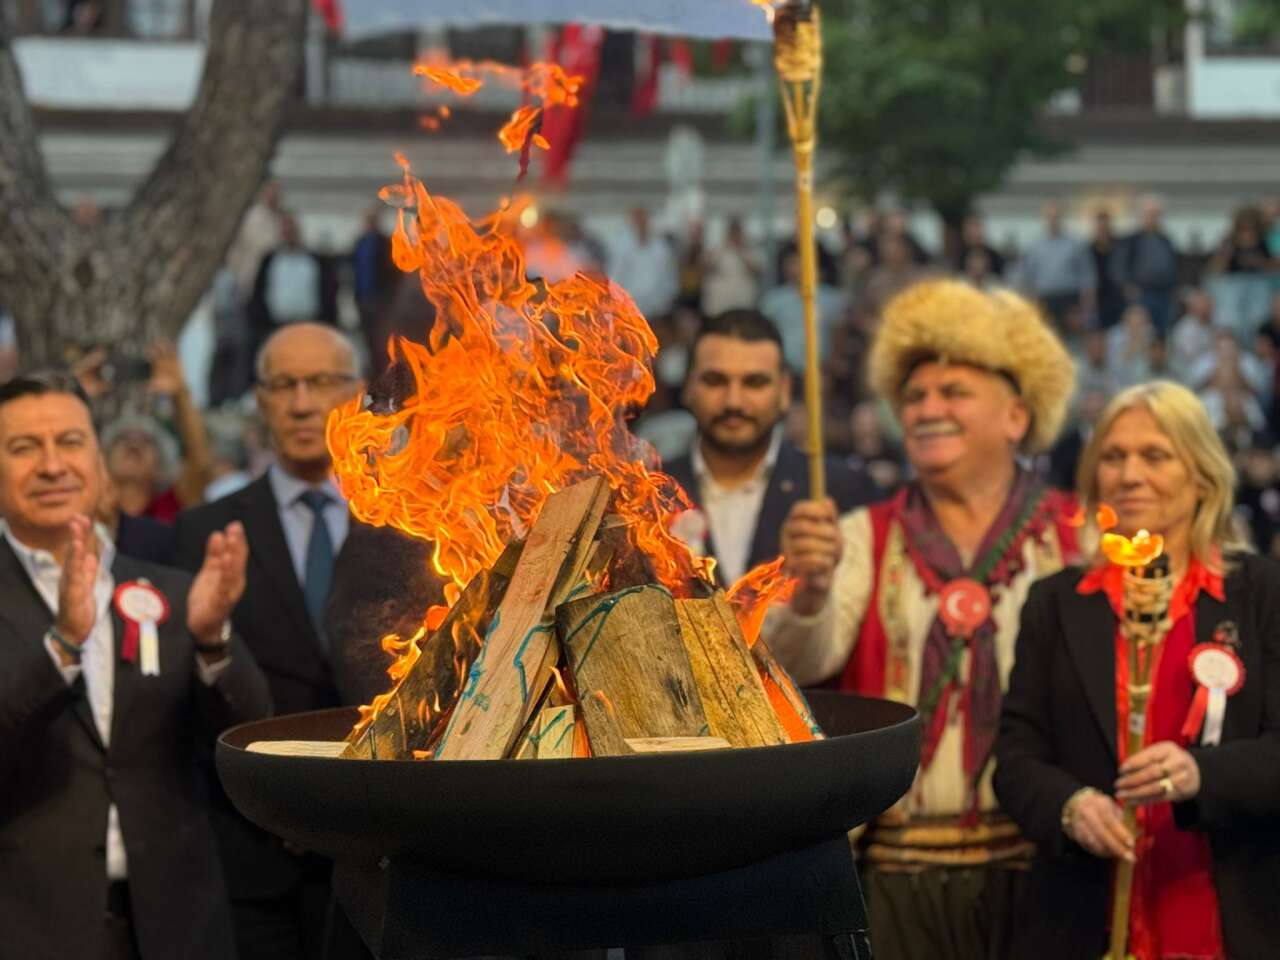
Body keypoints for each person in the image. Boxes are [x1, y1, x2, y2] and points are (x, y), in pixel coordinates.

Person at [767, 279, 1080, 960]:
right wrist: (810, 588)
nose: (927, 409)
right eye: (913, 397)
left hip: (1048, 871)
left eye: (954, 392)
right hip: (899, 875)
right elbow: (801, 665)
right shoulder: (861, 535)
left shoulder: (1077, 538)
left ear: (1017, 416)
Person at [995, 381, 1280, 960]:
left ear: (1201, 475)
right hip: (1083, 915)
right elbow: (1017, 756)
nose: (1129, 474)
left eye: (1155, 455)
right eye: (1113, 456)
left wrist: (1204, 774)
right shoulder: (1056, 601)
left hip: (1232, 913)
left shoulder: (1260, 591)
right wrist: (1070, 807)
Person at [0, 370, 270, 959]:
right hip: (28, 926)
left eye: (70, 442)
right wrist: (63, 646)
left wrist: (211, 638)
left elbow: (249, 736)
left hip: (173, 919)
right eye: (24, 448)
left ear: (97, 459)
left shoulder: (167, 587)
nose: (52, 466)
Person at [173, 323, 364, 960]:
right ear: (260, 399)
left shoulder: (416, 531)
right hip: (254, 864)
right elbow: (183, 697)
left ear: (357, 394)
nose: (304, 403)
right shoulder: (205, 532)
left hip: (389, 854)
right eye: (285, 385)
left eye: (322, 382)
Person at [663, 309, 875, 588]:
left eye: (755, 382)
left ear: (784, 391)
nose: (734, 402)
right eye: (716, 381)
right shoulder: (648, 493)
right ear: (688, 387)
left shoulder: (838, 489)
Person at [1016, 200, 1097, 330]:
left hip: (1070, 299)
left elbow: (1087, 276)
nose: (1053, 220)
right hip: (1044, 300)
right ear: (1045, 217)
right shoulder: (1034, 245)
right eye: (1050, 216)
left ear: (1061, 217)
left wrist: (1087, 307)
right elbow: (1027, 278)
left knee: (1072, 341)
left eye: (1056, 216)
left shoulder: (1075, 243)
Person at [1114, 197, 1181, 338]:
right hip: (1141, 294)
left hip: (1164, 295)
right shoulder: (1131, 240)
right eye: (1149, 214)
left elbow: (1174, 267)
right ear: (1141, 216)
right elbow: (1118, 266)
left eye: (1155, 214)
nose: (1152, 218)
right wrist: (1127, 286)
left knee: (1161, 333)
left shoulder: (1166, 240)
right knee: (1140, 334)